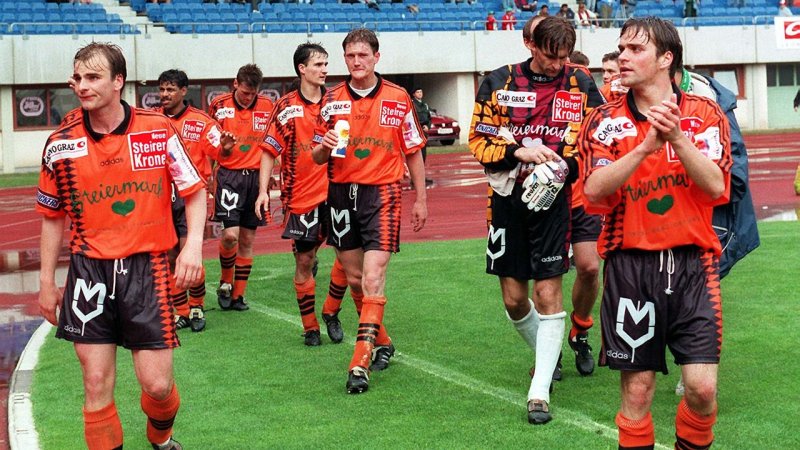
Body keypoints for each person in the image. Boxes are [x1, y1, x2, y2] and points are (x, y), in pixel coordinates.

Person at [37, 42, 206, 450]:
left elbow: (194, 191)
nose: (82, 86)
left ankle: (160, 437)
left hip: (147, 270)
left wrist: (193, 246)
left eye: (93, 77)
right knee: (95, 384)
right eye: (76, 78)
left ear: (118, 82)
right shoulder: (60, 143)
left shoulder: (157, 128)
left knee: (159, 386)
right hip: (88, 272)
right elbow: (52, 217)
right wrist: (46, 282)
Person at [579, 17, 732, 449]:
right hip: (631, 266)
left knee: (702, 390)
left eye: (636, 49)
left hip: (693, 267)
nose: (623, 57)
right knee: (638, 390)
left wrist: (678, 140)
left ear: (666, 59)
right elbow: (593, 188)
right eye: (621, 48)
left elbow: (717, 186)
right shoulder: (604, 120)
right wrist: (647, 145)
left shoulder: (704, 114)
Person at [469, 16, 603, 424]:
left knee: (548, 295)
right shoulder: (498, 81)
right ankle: (549, 353)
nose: (557, 64)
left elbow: (597, 140)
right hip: (507, 200)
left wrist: (565, 169)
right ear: (530, 45)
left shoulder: (581, 83)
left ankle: (539, 391)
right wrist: (518, 154)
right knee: (513, 300)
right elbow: (477, 140)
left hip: (554, 201)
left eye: (563, 56)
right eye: (550, 55)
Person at [311, 28, 428, 394]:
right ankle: (384, 341)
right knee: (357, 279)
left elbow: (412, 150)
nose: (356, 62)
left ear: (376, 57)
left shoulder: (398, 97)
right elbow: (315, 156)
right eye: (350, 56)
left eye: (363, 55)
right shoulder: (330, 100)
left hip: (384, 194)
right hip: (341, 194)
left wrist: (421, 199)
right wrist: (325, 146)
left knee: (374, 277)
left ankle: (359, 363)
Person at [253, 43, 355, 347]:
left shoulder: (338, 101)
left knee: (349, 258)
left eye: (326, 64)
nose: (325, 69)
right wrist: (262, 192)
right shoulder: (285, 106)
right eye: (318, 64)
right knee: (305, 260)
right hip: (300, 196)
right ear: (302, 68)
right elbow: (269, 150)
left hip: (339, 192)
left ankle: (331, 311)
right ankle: (310, 327)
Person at [671, 64, 761, 395]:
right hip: (670, 215)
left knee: (697, 293)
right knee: (677, 293)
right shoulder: (641, 98)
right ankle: (691, 363)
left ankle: (696, 366)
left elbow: (733, 174)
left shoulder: (709, 102)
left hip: (711, 218)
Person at [155, 69, 233, 333]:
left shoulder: (202, 121)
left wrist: (226, 147)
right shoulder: (152, 120)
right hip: (161, 197)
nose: (165, 95)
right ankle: (181, 311)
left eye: (170, 89)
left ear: (183, 91)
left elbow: (220, 153)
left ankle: (197, 304)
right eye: (162, 89)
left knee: (190, 250)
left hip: (191, 197)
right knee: (170, 253)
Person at [208, 63, 274, 312]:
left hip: (256, 179)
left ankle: (238, 295)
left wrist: (267, 181)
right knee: (230, 235)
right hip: (229, 177)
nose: (248, 97)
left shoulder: (268, 106)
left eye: (253, 93)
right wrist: (220, 153)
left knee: (247, 238)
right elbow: (210, 144)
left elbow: (272, 143)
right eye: (245, 92)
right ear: (235, 84)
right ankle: (225, 281)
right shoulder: (219, 106)